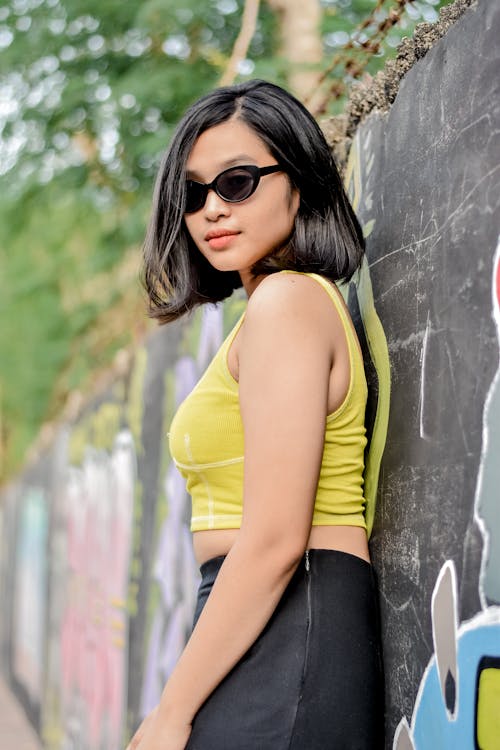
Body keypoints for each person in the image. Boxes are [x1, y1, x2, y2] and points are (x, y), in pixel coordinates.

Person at [128, 79, 384, 750]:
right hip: (263, 620)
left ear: (297, 182)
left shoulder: (288, 305)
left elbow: (274, 539)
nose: (210, 209)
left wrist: (170, 712)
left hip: (294, 616)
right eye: (192, 193)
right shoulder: (272, 309)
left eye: (237, 182)